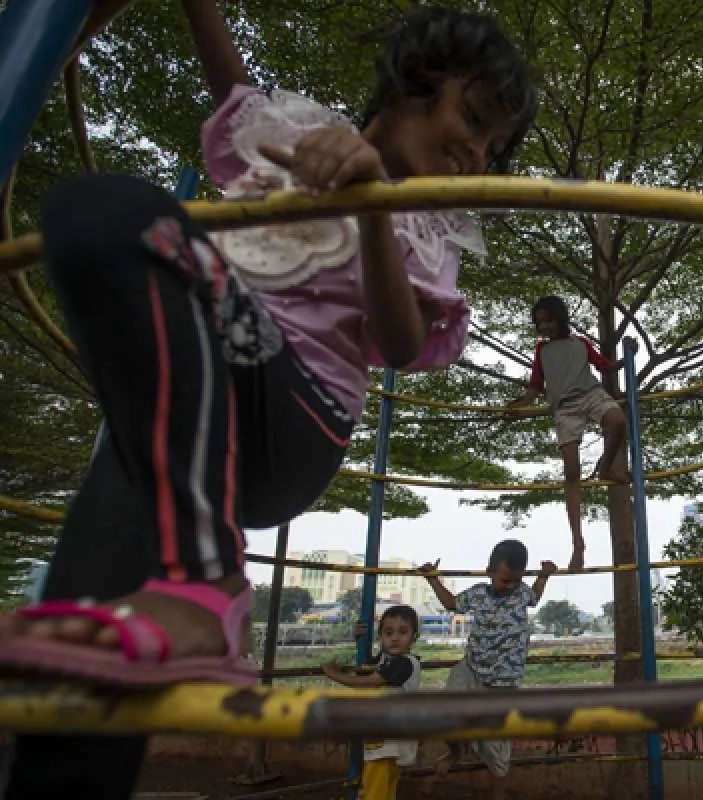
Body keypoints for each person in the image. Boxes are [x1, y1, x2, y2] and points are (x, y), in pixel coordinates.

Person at [0, 0, 537, 689]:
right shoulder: (302, 134)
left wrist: (372, 203)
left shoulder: (429, 222)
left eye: (493, 148)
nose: (477, 153)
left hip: (290, 421)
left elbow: (401, 345)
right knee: (75, 651)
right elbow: (233, 90)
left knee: (130, 222)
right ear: (417, 78)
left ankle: (207, 586)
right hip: (185, 429)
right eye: (473, 119)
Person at [418, 540, 555, 800]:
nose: (511, 587)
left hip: (503, 684)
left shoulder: (522, 592)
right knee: (446, 710)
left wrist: (544, 575)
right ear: (489, 572)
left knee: (497, 751)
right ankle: (456, 751)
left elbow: (535, 595)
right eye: (505, 580)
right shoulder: (478, 593)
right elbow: (451, 605)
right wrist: (432, 579)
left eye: (516, 580)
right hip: (472, 669)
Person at [506, 295, 627, 569]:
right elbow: (535, 388)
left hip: (592, 393)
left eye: (548, 320)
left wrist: (628, 355)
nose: (545, 326)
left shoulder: (581, 344)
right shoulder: (542, 352)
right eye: (539, 323)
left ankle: (606, 467)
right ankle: (578, 544)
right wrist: (517, 406)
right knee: (571, 473)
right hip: (564, 407)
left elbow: (606, 366)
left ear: (561, 317)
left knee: (618, 420)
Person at [322, 606, 423, 800]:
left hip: (387, 739)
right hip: (389, 737)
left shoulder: (404, 663)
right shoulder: (386, 661)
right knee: (384, 790)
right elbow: (365, 667)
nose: (394, 638)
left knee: (374, 791)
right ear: (380, 636)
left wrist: (333, 674)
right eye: (388, 632)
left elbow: (366, 682)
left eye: (402, 632)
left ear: (414, 637)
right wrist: (359, 638)